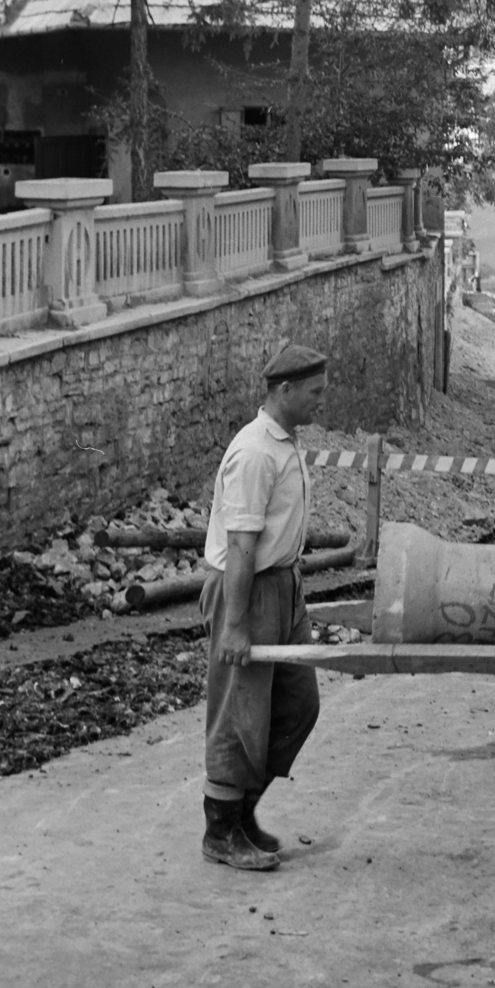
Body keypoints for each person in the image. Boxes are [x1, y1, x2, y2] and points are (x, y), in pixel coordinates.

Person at [199, 344, 328, 871]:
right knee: (239, 712)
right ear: (285, 391)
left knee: (298, 704)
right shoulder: (254, 452)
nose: (323, 401)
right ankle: (220, 832)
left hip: (281, 585)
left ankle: (244, 810)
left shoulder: (287, 443)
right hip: (246, 589)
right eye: (315, 392)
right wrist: (234, 625)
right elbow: (242, 544)